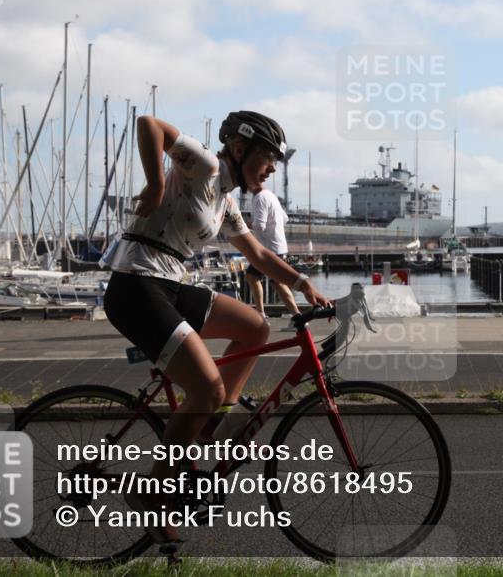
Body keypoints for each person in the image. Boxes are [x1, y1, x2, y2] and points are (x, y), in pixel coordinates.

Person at [102, 111, 331, 543]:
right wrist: (154, 184)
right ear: (240, 150)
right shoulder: (204, 165)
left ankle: (211, 423)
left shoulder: (226, 201)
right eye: (268, 157)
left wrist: (303, 284)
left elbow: (259, 256)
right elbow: (149, 125)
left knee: (256, 328)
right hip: (136, 283)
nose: (273, 168)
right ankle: (155, 496)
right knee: (206, 388)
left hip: (170, 282)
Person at [246, 186, 300, 321]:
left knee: (252, 276)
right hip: (279, 247)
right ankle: (298, 316)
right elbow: (285, 218)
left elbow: (259, 225)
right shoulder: (271, 196)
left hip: (268, 249)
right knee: (277, 282)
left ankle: (261, 314)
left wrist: (246, 224)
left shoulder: (260, 198)